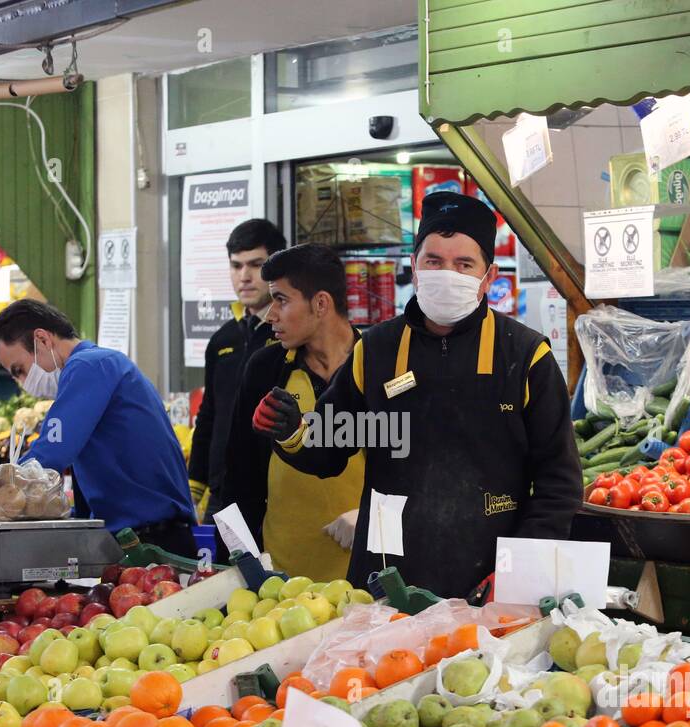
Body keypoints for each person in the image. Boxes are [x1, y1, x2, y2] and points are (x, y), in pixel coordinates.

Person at [251, 192, 581, 599]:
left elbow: (559, 483)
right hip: (386, 582)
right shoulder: (376, 350)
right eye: (434, 262)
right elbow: (331, 446)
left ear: (488, 276)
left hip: (489, 583)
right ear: (415, 267)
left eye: (463, 265)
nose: (447, 274)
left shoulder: (527, 357)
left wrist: (519, 569)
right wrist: (293, 432)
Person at [0, 300, 198, 557]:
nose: (22, 383)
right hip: (139, 536)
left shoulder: (89, 365)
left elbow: (52, 453)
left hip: (155, 543)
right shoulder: (98, 366)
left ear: (42, 339)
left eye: (20, 371)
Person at [221, 244, 364, 580]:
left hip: (369, 579)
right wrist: (239, 560)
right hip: (282, 584)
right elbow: (238, 474)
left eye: (281, 300)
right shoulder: (264, 369)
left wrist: (373, 516)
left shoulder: (379, 366)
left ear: (321, 304)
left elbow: (409, 475)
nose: (271, 315)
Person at [187, 218, 286, 520]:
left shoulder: (290, 335)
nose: (244, 276)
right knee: (217, 569)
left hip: (275, 493)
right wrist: (194, 487)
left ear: (276, 267)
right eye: (236, 266)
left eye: (255, 265)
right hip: (222, 494)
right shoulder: (222, 339)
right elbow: (210, 414)